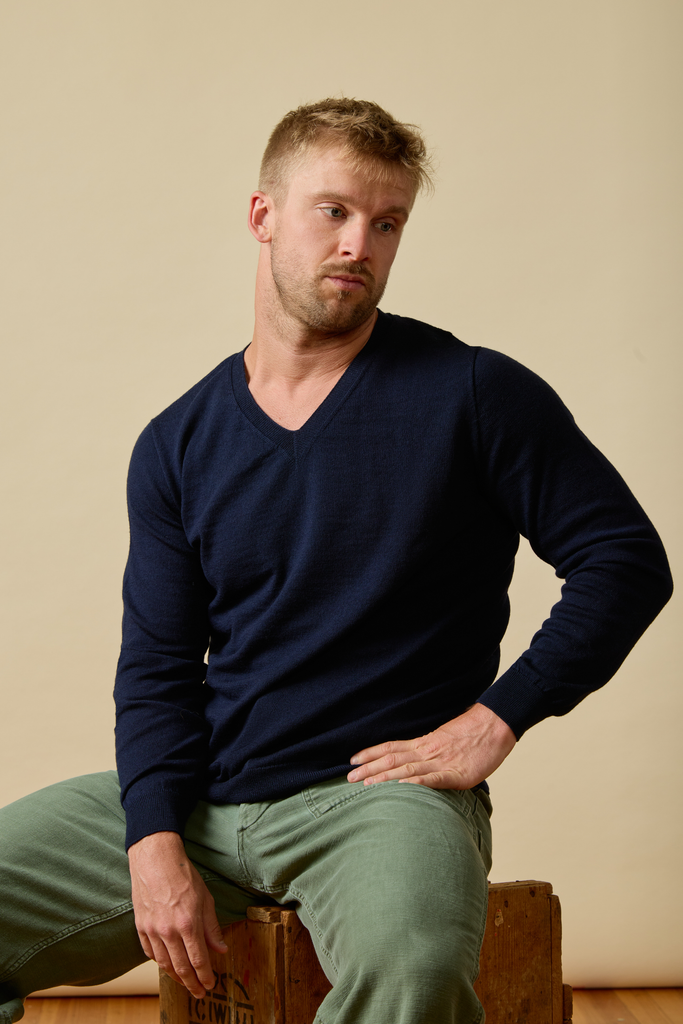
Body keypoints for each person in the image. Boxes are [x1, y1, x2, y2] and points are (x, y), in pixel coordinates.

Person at [0, 98, 673, 1024]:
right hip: (206, 797)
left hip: (378, 803)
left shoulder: (473, 393)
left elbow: (625, 560)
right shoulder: (177, 443)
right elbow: (156, 670)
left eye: (386, 222)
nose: (360, 243)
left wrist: (497, 718)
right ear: (262, 216)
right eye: (334, 211)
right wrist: (153, 839)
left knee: (411, 968)